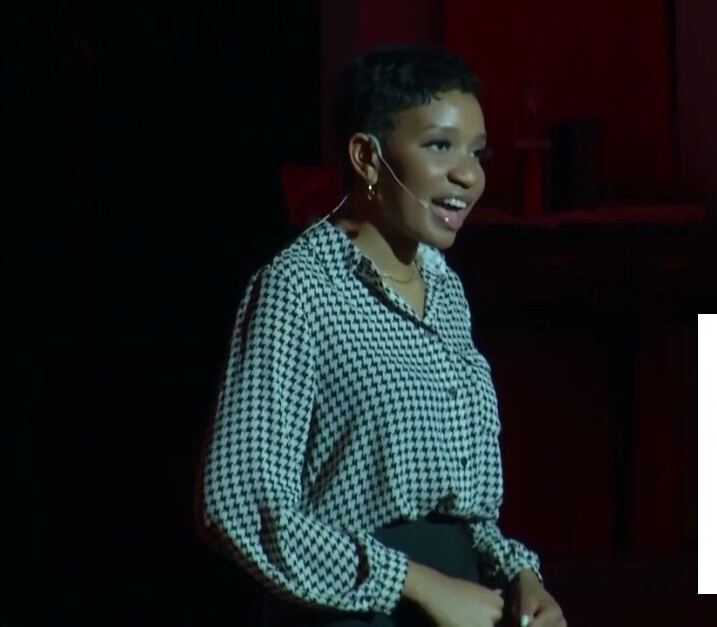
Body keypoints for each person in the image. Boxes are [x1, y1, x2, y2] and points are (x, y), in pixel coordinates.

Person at [197, 45, 567, 627]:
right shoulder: (298, 288)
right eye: (440, 146)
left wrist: (519, 577)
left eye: (476, 152)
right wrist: (416, 585)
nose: (469, 175)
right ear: (367, 156)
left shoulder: (444, 288)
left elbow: (461, 511)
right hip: (351, 612)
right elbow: (238, 503)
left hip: (462, 603)